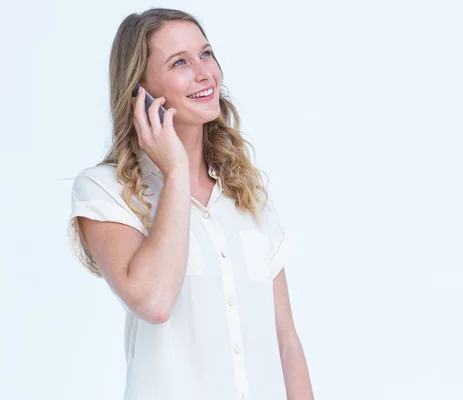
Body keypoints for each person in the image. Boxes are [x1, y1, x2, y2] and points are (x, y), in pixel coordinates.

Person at [66, 7, 313, 400]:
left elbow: (287, 345)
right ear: (139, 89)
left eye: (207, 53)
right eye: (180, 62)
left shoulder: (247, 196)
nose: (204, 73)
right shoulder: (105, 191)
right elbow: (154, 301)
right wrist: (177, 171)